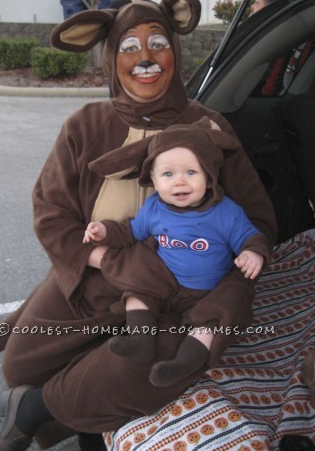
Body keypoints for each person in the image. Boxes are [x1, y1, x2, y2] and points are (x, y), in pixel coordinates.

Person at [0, 0, 277, 451]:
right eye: (129, 48)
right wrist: (105, 257)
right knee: (20, 366)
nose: (145, 59)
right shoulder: (85, 124)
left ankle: (35, 411)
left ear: (175, 50)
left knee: (150, 364)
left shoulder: (210, 129)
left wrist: (238, 256)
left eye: (158, 43)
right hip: (96, 277)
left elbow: (258, 217)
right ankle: (72, 403)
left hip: (182, 293)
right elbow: (51, 212)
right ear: (111, 58)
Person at [83, 122, 270, 387]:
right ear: (154, 181)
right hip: (166, 282)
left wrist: (253, 253)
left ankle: (184, 363)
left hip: (208, 291)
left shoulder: (225, 212)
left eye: (191, 172)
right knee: (137, 288)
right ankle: (141, 339)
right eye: (168, 174)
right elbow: (131, 232)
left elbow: (249, 236)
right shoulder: (154, 209)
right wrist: (105, 231)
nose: (179, 181)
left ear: (209, 176)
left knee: (221, 312)